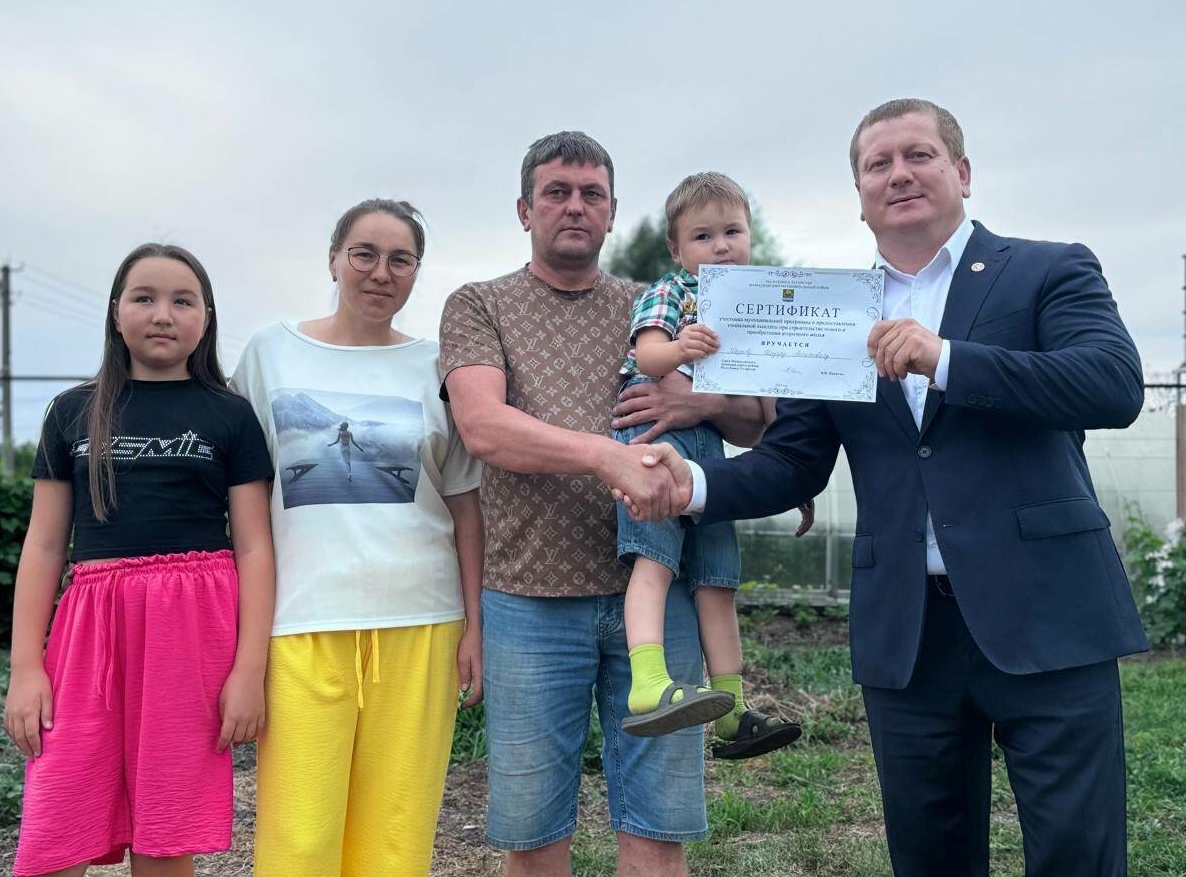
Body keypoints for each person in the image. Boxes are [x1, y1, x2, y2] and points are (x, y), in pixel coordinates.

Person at [626, 99, 1148, 876]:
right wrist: (693, 485)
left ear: (962, 173)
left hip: (1049, 612)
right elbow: (793, 461)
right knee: (928, 856)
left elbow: (1111, 384)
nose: (899, 174)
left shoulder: (1049, 269)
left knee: (1078, 853)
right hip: (908, 631)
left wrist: (947, 359)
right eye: (878, 164)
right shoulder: (836, 311)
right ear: (861, 194)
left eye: (919, 155)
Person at [440, 132, 776, 877]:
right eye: (556, 192)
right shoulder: (480, 304)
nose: (575, 207)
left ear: (613, 211)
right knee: (533, 837)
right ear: (524, 210)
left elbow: (754, 422)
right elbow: (483, 426)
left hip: (659, 593)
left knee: (658, 831)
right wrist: (607, 455)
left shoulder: (657, 305)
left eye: (591, 194)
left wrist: (698, 404)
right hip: (529, 600)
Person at [4, 244, 276, 877]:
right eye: (144, 298)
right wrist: (24, 666)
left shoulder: (231, 415)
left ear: (206, 317)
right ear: (115, 311)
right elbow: (43, 546)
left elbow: (255, 547)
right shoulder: (72, 411)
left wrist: (249, 670)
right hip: (90, 626)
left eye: (183, 301)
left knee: (165, 825)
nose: (162, 314)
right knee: (59, 807)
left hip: (193, 630)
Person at [231, 198, 484, 877]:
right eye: (364, 254)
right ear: (334, 259)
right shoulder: (269, 353)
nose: (380, 272)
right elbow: (239, 498)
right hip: (301, 622)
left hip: (423, 622)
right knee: (300, 837)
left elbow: (466, 508)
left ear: (417, 271)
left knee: (396, 836)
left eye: (401, 259)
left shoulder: (439, 367)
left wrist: (476, 626)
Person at [615, 170, 804, 758]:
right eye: (702, 236)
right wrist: (681, 348)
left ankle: (733, 709)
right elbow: (647, 354)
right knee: (654, 559)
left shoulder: (759, 309)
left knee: (718, 580)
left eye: (732, 232)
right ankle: (648, 683)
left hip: (711, 457)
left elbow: (769, 408)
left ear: (750, 236)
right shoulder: (673, 292)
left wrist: (791, 472)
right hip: (653, 439)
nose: (720, 246)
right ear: (676, 250)